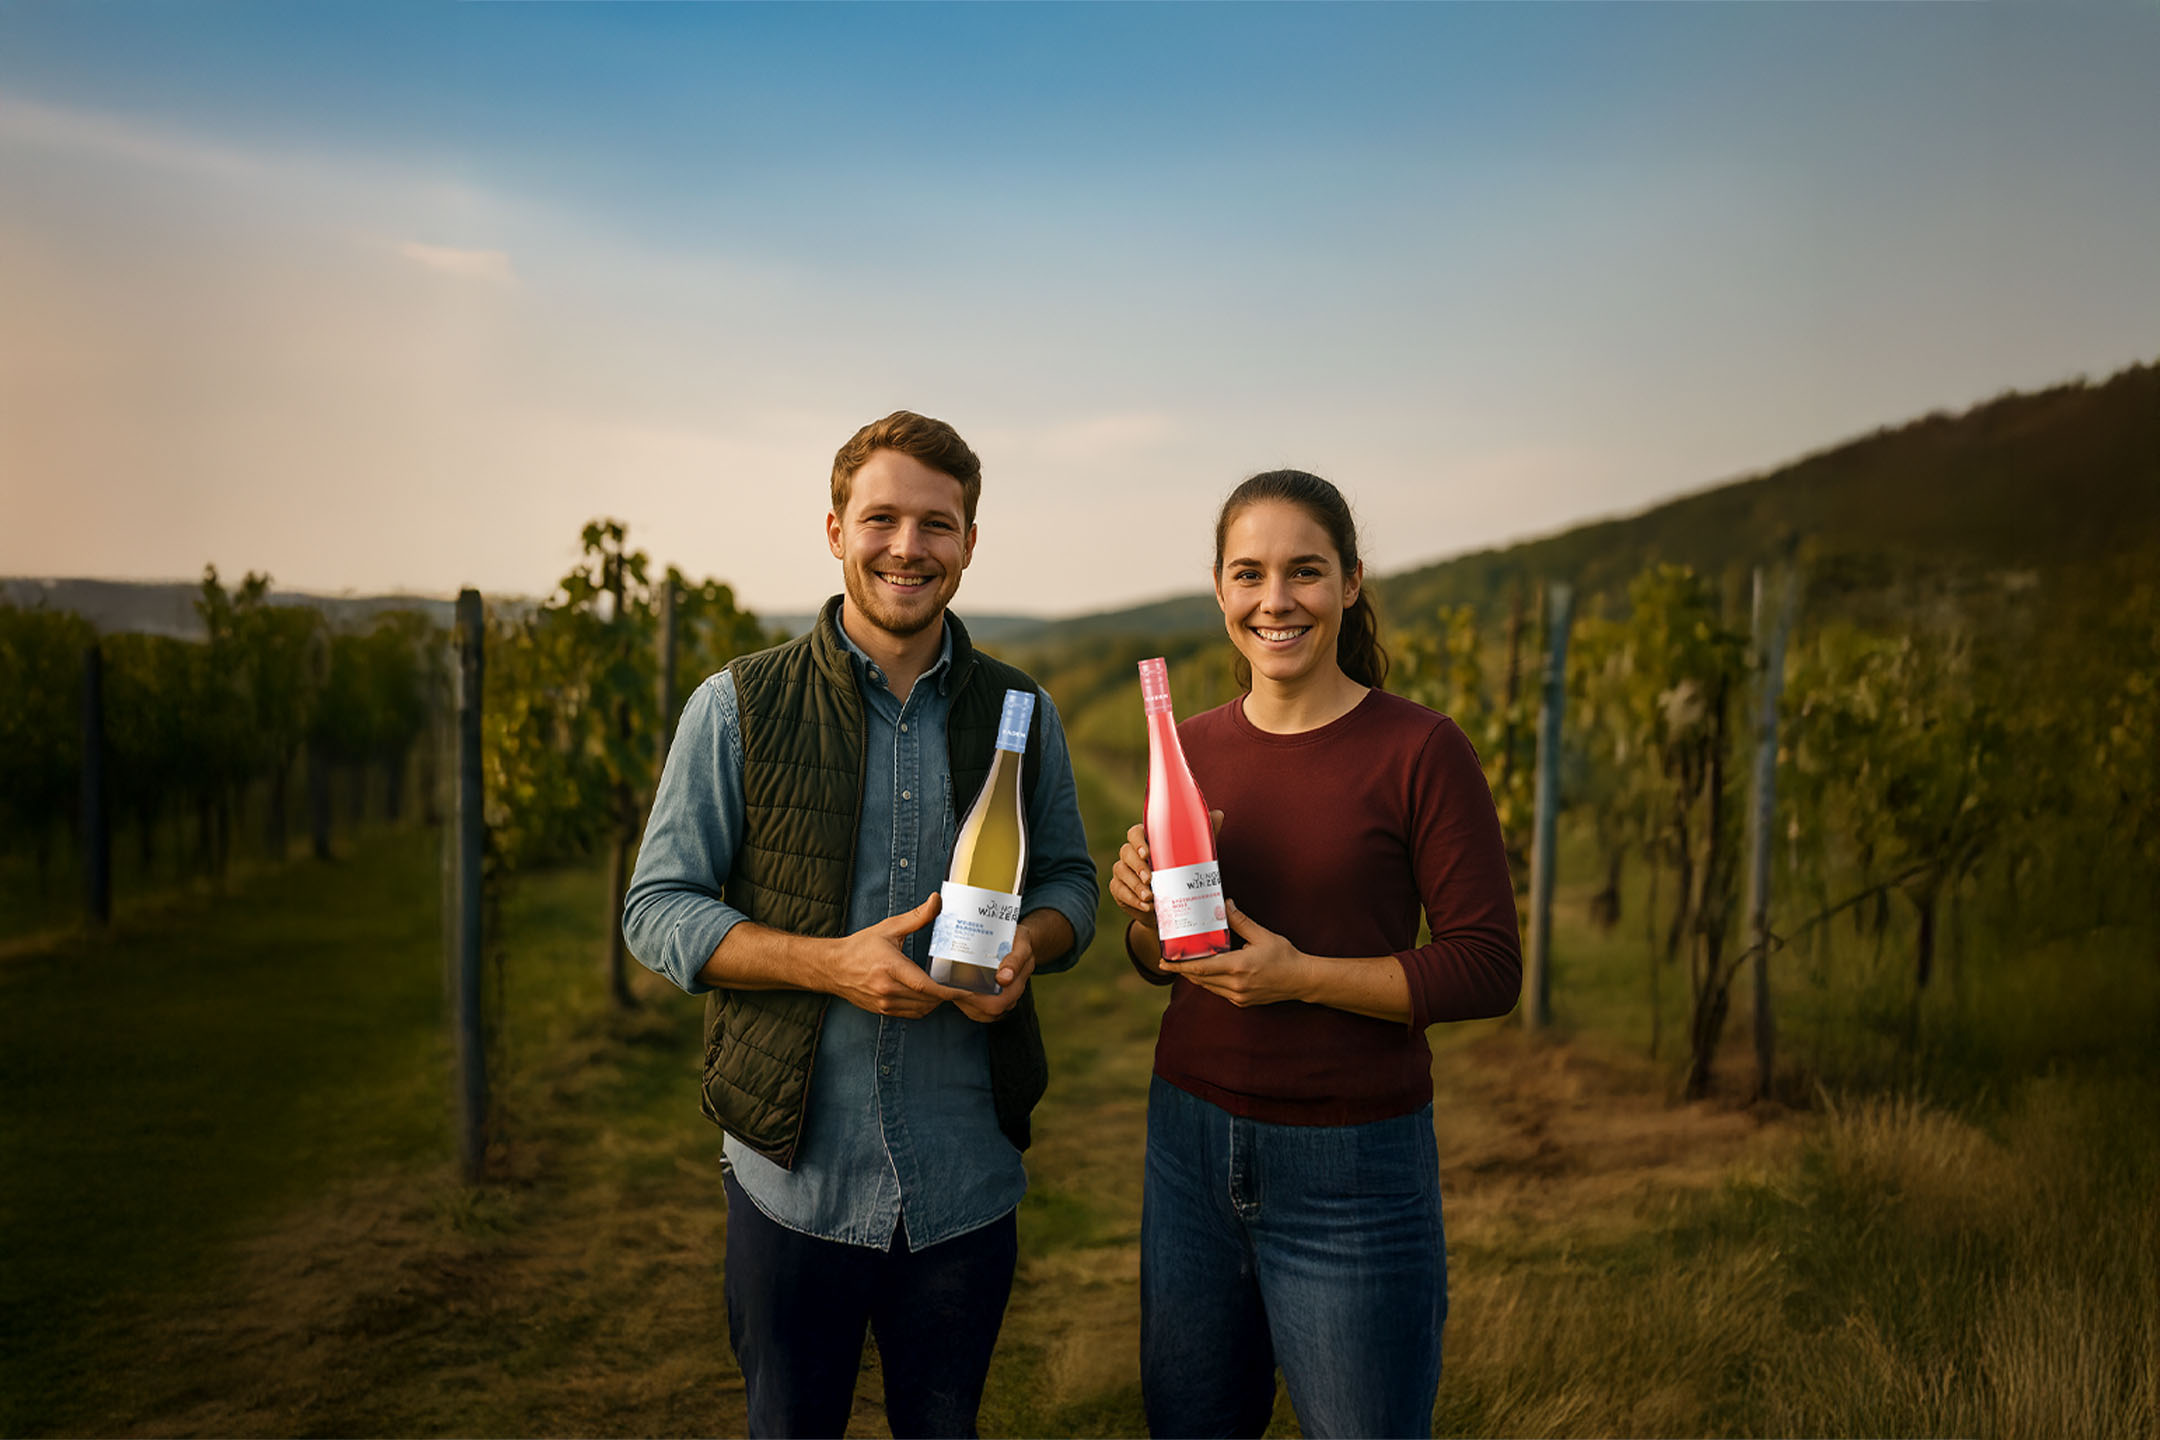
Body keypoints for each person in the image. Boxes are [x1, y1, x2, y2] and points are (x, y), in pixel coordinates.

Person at [623, 410, 1098, 1439]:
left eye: (937, 524)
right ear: (834, 529)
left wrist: (1036, 943)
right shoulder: (737, 706)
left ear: (970, 543)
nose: (908, 547)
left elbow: (1071, 881)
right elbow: (656, 910)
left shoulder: (1021, 710)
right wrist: (827, 966)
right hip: (796, 1183)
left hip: (965, 1182)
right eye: (880, 517)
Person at [1108, 469, 1522, 1439]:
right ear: (1220, 590)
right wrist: (1142, 918)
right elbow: (1163, 957)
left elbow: (1486, 965)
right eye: (1249, 573)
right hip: (1189, 1150)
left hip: (1355, 1167)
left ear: (1350, 583)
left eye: (1305, 571)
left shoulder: (1420, 749)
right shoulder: (1190, 746)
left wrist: (1301, 979)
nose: (1275, 599)